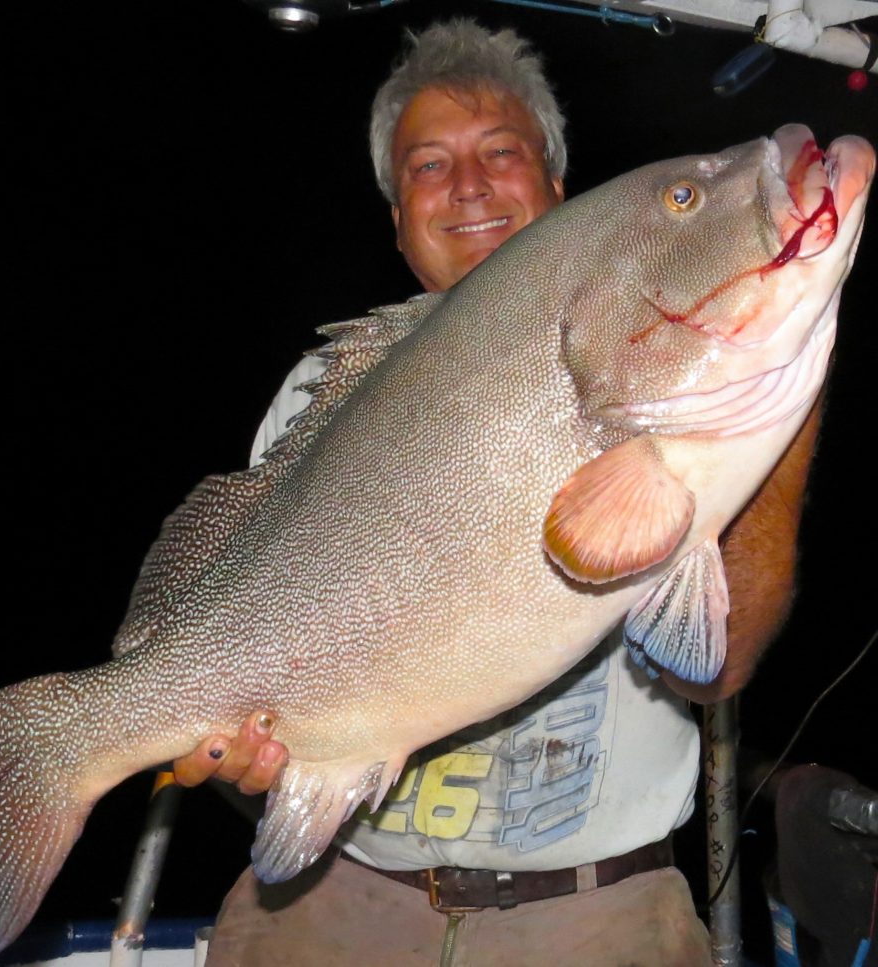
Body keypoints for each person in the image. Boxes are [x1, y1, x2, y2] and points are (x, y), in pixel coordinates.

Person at [174, 20, 822, 965]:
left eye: (501, 153)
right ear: (398, 217)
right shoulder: (318, 401)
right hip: (339, 902)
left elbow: (713, 664)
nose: (468, 185)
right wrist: (247, 753)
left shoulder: (665, 364)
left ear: (559, 190)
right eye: (428, 165)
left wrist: (778, 398)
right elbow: (249, 701)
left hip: (597, 915)